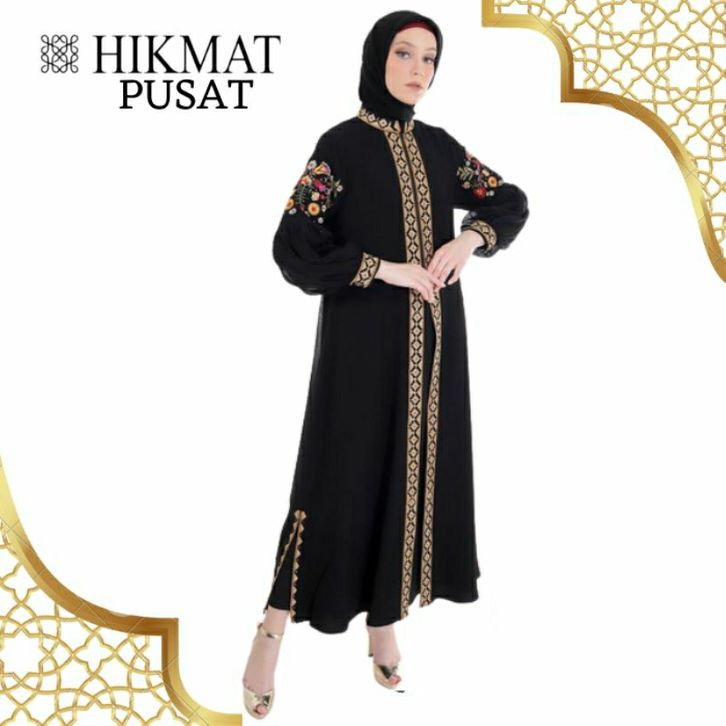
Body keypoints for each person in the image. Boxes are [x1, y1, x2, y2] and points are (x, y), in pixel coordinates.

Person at [242, 9, 529, 718]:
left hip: (434, 344)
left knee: (410, 470)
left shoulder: (438, 147)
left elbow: (508, 199)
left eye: (429, 58)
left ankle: (383, 622)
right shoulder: (340, 147)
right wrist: (385, 269)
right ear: (377, 58)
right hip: (361, 343)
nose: (417, 70)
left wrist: (469, 240)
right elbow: (293, 243)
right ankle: (270, 631)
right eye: (404, 54)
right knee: (337, 475)